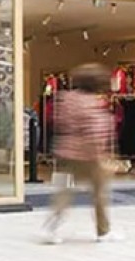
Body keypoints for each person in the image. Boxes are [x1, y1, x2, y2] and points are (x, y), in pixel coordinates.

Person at [44, 63, 119, 244]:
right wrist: (103, 154)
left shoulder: (66, 98)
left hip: (67, 150)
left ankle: (53, 227)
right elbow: (95, 130)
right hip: (89, 154)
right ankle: (103, 231)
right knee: (99, 193)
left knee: (66, 191)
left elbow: (58, 121)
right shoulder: (92, 102)